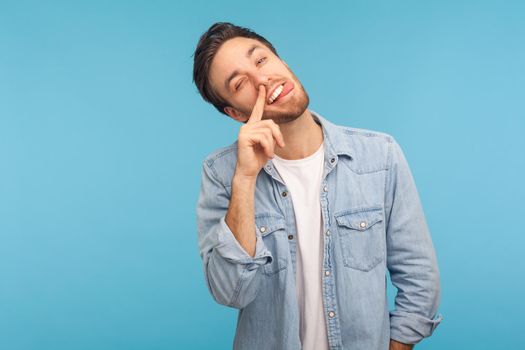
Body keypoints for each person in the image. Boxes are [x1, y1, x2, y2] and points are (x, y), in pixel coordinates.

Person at [192, 22, 443, 350]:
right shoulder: (221, 174)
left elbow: (419, 278)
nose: (263, 79)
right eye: (240, 84)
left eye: (261, 60)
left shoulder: (379, 156)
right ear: (235, 113)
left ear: (282, 61)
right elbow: (231, 291)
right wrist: (245, 178)